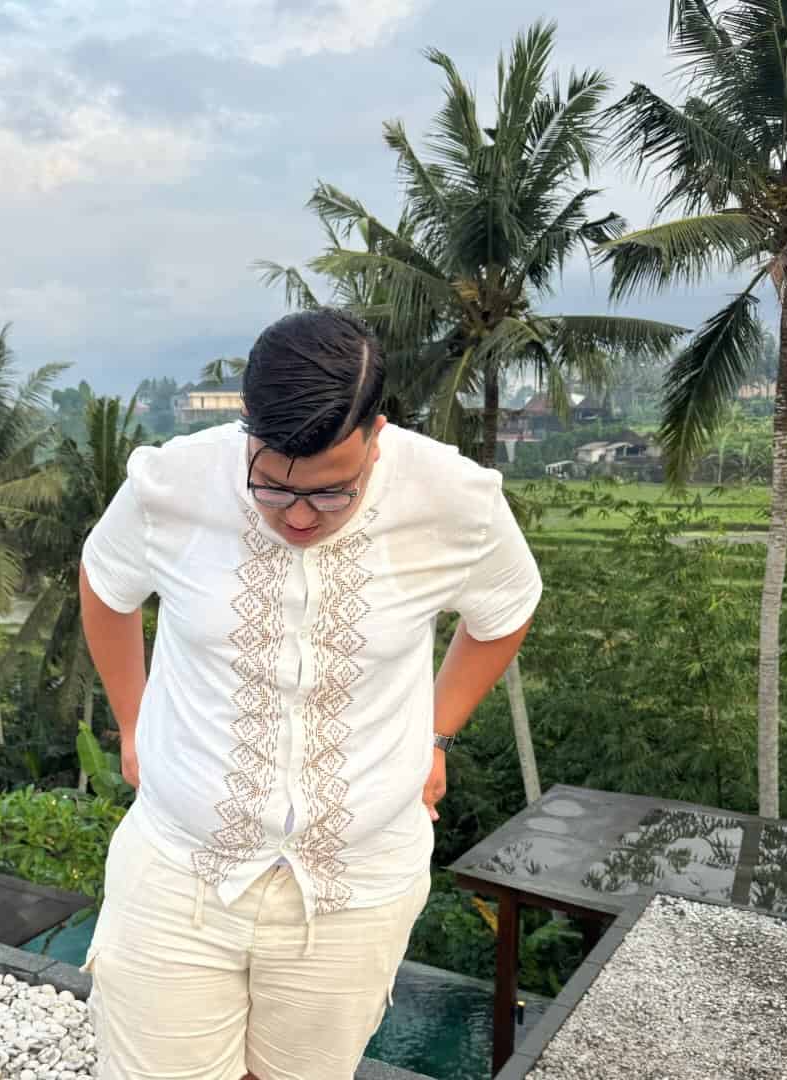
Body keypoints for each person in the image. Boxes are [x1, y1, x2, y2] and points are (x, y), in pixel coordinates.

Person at [78, 308, 542, 1080]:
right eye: (271, 488)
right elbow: (105, 584)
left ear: (376, 435)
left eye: (331, 495)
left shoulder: (454, 498)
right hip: (179, 863)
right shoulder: (171, 484)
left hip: (354, 883)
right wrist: (132, 721)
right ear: (248, 432)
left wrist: (435, 732)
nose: (296, 516)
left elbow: (506, 608)